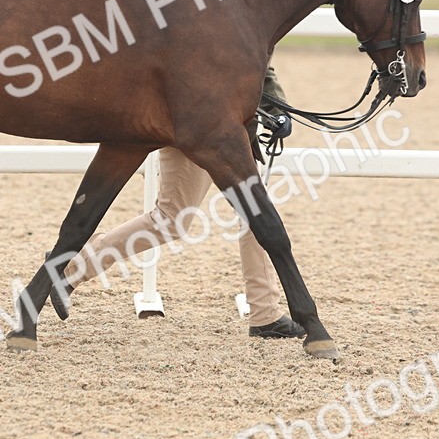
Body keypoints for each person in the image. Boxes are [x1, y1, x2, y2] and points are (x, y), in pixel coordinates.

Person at [58, 65, 304, 338]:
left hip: (231, 135)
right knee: (170, 221)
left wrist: (278, 109)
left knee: (256, 217)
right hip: (193, 133)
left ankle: (265, 313)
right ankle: (71, 270)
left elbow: (259, 63)